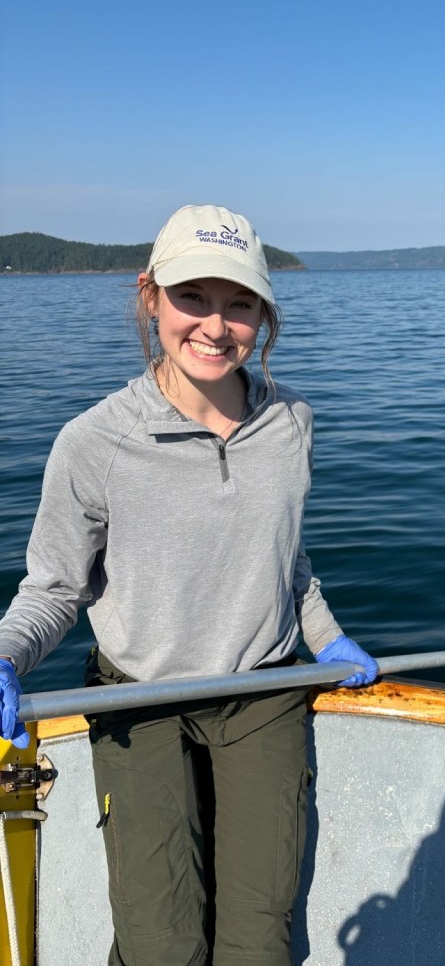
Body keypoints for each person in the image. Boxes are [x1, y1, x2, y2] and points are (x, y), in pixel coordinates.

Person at [0, 204, 378, 966]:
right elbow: (53, 588)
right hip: (134, 699)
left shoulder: (293, 423)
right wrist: (6, 656)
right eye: (192, 298)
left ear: (264, 313)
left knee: (260, 941)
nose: (216, 325)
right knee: (159, 943)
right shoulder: (93, 442)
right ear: (150, 297)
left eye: (239, 303)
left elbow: (286, 560)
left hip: (263, 693)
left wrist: (326, 633)